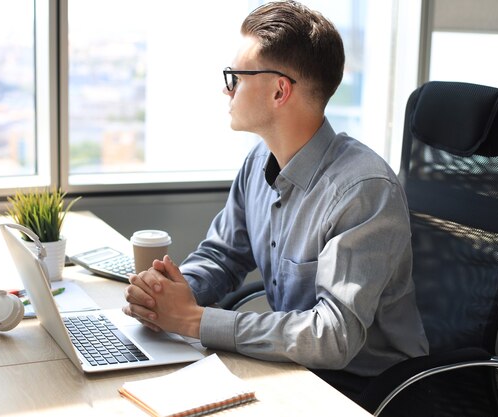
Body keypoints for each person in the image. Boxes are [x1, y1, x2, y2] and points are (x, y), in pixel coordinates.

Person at [123, 0, 428, 399]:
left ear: (279, 90)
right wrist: (168, 294)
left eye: (235, 76)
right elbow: (223, 256)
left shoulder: (362, 190)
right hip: (293, 367)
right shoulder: (257, 163)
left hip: (366, 389)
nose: (225, 87)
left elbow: (333, 336)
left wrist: (195, 320)